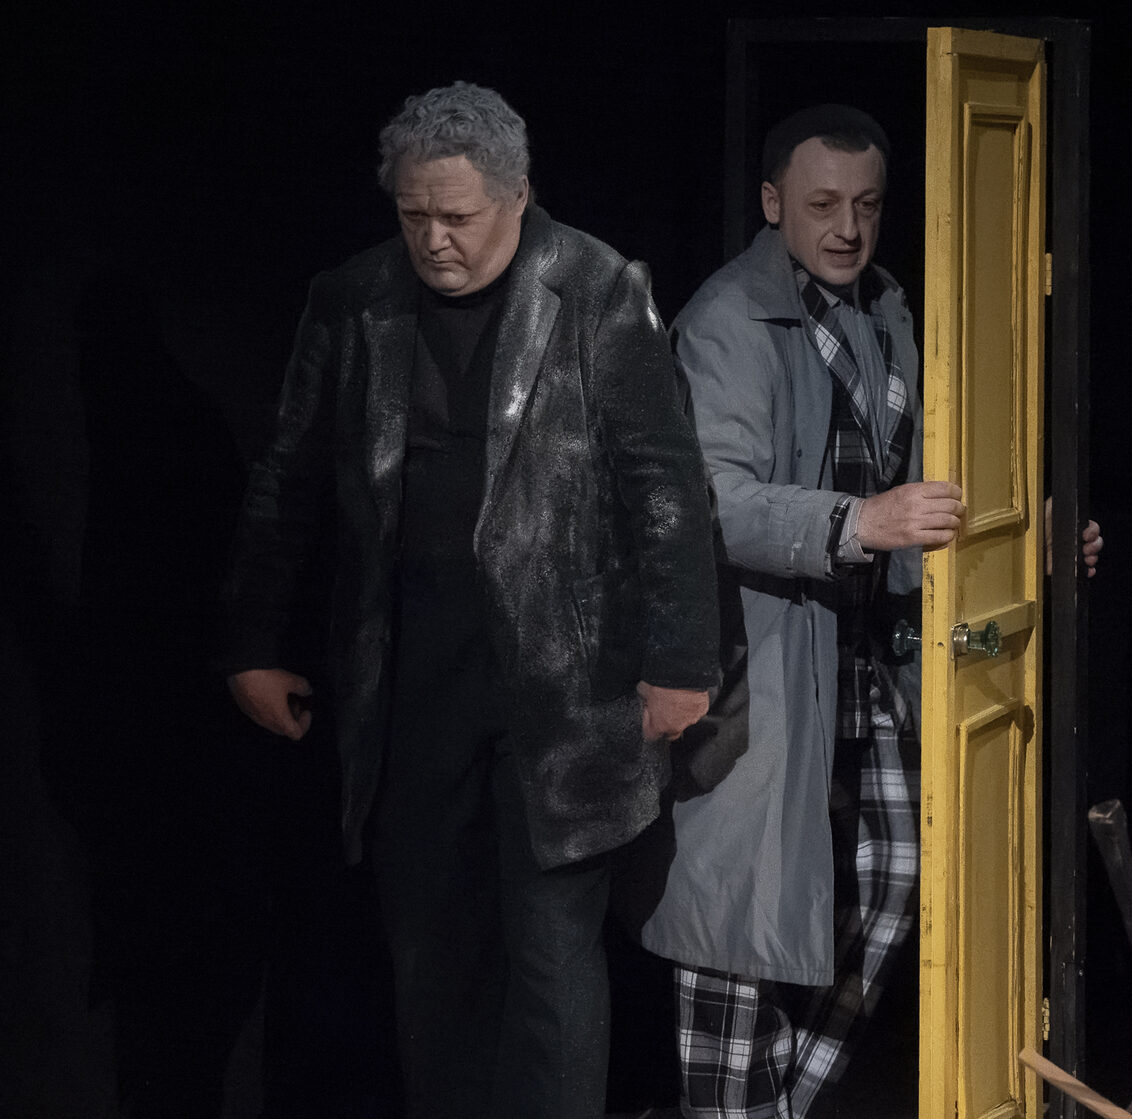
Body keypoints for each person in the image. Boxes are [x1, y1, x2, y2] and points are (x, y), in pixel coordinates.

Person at [222, 81, 720, 1119]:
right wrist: (254, 640)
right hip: (412, 679)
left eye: (456, 216)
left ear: (517, 194)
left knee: (551, 955)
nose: (434, 239)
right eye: (413, 215)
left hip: (569, 686)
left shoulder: (595, 288)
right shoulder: (355, 298)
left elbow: (666, 487)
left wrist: (680, 660)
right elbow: (288, 478)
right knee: (431, 952)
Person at [635, 104, 1100, 1119]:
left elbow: (936, 475)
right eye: (823, 206)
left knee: (897, 884)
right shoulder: (728, 320)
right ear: (773, 204)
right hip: (760, 670)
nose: (848, 228)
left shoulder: (886, 309)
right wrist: (861, 521)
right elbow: (712, 502)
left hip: (868, 663)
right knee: (738, 934)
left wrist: (1029, 543)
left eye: (868, 205)